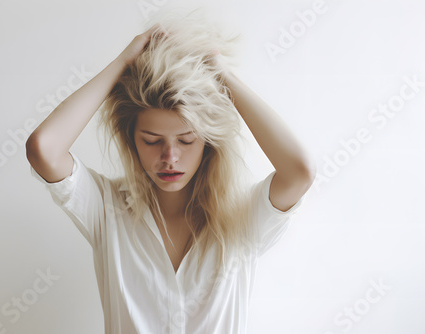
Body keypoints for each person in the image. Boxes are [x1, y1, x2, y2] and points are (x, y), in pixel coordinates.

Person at [26, 10, 316, 334]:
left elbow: (299, 170)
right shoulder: (107, 210)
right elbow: (44, 148)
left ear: (207, 144)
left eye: (186, 140)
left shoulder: (243, 218)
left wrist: (222, 76)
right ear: (132, 142)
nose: (170, 158)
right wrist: (123, 62)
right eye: (151, 141)